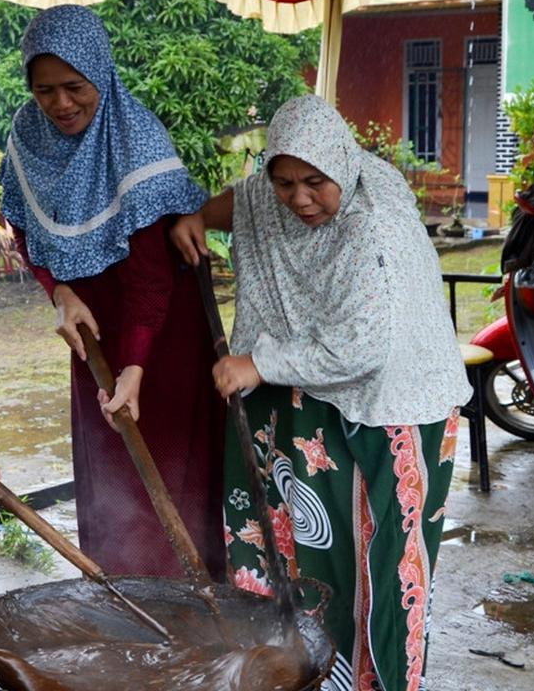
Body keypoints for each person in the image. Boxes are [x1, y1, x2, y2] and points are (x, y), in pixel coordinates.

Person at [170, 94, 471, 691]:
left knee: (380, 574)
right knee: (310, 551)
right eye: (284, 182)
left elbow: (363, 347)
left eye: (315, 182)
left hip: (395, 402)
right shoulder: (272, 195)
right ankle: (300, 677)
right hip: (321, 399)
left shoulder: (372, 229)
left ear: (342, 165)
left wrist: (257, 362)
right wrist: (198, 217)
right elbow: (247, 201)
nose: (300, 199)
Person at [0, 4, 227, 578]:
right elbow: (23, 227)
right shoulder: (28, 135)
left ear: (100, 71)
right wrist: (59, 293)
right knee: (108, 460)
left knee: (167, 460)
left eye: (75, 87)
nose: (61, 104)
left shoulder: (135, 136)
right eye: (44, 89)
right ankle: (116, 587)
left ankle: (187, 594)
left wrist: (135, 366)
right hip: (89, 327)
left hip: (161, 333)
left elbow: (152, 276)